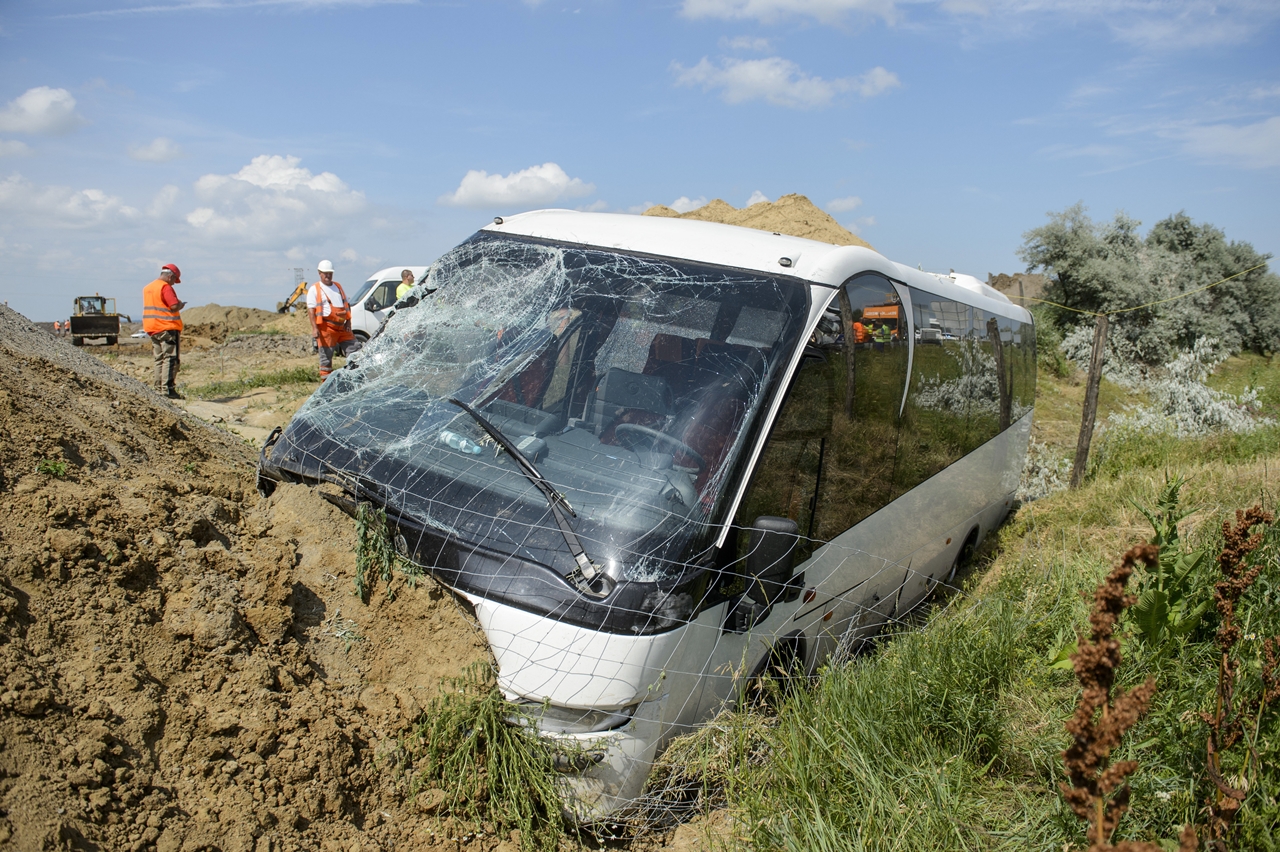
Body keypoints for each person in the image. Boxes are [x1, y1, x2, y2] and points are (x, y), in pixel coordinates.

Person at [307, 260, 362, 379]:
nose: (328, 275)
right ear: (319, 273)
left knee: (355, 350)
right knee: (326, 358)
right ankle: (325, 385)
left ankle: (355, 377)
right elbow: (311, 310)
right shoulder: (315, 289)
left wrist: (348, 321)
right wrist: (314, 328)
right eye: (325, 273)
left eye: (330, 273)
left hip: (342, 327)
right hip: (327, 328)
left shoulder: (337, 286)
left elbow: (346, 305)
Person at [142, 264, 186, 398]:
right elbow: (173, 306)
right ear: (170, 276)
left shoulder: (148, 287)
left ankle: (158, 389)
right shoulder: (165, 287)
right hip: (167, 327)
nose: (174, 283)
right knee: (170, 359)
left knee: (159, 359)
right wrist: (180, 304)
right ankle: (167, 390)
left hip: (152, 328)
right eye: (174, 280)